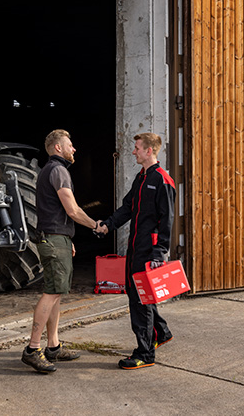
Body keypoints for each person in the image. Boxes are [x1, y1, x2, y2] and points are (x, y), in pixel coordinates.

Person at [21, 129, 101, 373]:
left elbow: (54, 211)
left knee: (55, 292)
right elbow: (72, 210)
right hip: (54, 240)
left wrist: (66, 238)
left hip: (56, 238)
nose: (73, 149)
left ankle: (53, 346)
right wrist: (96, 225)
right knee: (51, 293)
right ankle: (33, 349)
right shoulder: (58, 171)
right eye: (70, 145)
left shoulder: (50, 171)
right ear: (58, 147)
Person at [95, 132, 176, 370]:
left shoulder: (162, 180)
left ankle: (144, 353)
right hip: (135, 247)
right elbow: (127, 207)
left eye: (137, 148)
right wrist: (108, 225)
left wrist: (159, 253)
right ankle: (161, 333)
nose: (134, 152)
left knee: (140, 299)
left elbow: (167, 220)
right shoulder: (141, 178)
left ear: (149, 150)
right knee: (138, 293)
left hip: (149, 251)